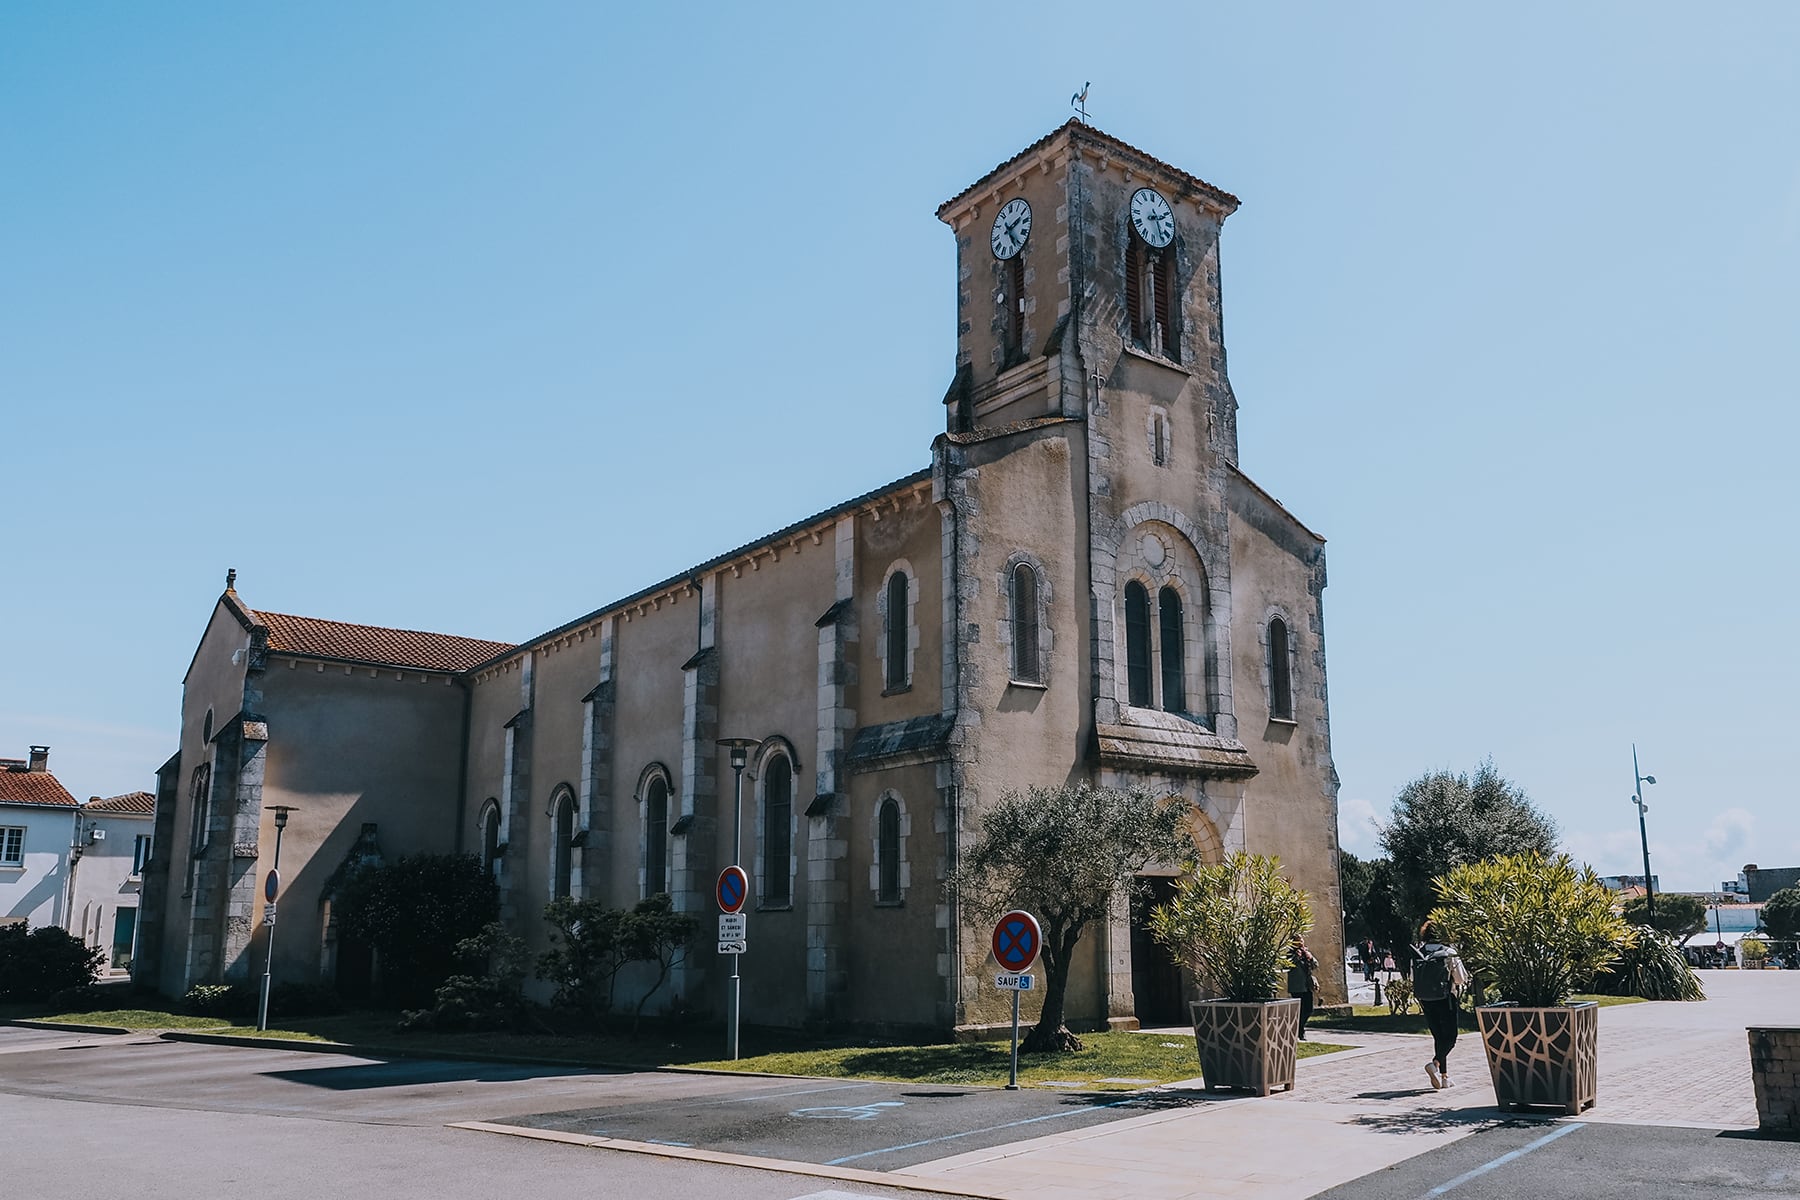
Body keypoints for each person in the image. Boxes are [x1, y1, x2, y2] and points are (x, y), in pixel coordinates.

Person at [1412, 921, 1465, 1090]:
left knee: (1438, 1037)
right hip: (1446, 1000)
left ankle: (1444, 1077)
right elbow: (1460, 979)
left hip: (1426, 1000)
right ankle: (1435, 1064)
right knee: (1450, 1038)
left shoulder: (1419, 952)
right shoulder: (1448, 952)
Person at [1288, 934, 1320, 1038]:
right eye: (1297, 941)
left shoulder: (1306, 952)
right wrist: (1296, 957)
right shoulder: (1290, 954)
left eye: (1301, 940)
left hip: (1307, 985)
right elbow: (1287, 966)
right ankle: (1300, 1032)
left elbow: (1315, 965)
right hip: (1297, 986)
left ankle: (1299, 1028)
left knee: (1309, 1009)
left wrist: (1310, 958)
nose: (1300, 943)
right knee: (1300, 1010)